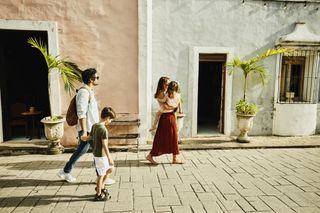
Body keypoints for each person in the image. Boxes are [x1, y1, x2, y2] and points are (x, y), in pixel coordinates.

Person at [58, 68, 100, 183]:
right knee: (98, 151)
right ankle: (101, 177)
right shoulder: (84, 92)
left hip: (92, 127)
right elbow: (81, 113)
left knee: (82, 149)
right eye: (97, 77)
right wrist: (85, 131)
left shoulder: (89, 91)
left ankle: (66, 171)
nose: (98, 79)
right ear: (91, 79)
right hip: (88, 129)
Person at [81, 107, 116, 201]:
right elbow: (105, 145)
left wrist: (83, 137)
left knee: (110, 169)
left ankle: (101, 187)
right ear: (107, 118)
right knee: (101, 175)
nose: (111, 121)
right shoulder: (103, 130)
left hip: (97, 155)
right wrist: (109, 158)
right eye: (111, 119)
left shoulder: (95, 126)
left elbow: (89, 137)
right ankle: (98, 194)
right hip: (102, 156)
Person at [146, 81, 183, 165]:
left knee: (161, 137)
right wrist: (177, 108)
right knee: (173, 137)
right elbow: (178, 104)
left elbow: (162, 102)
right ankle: (174, 158)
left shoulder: (166, 96)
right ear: (177, 88)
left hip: (165, 117)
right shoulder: (178, 95)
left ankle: (151, 155)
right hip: (172, 117)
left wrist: (159, 99)